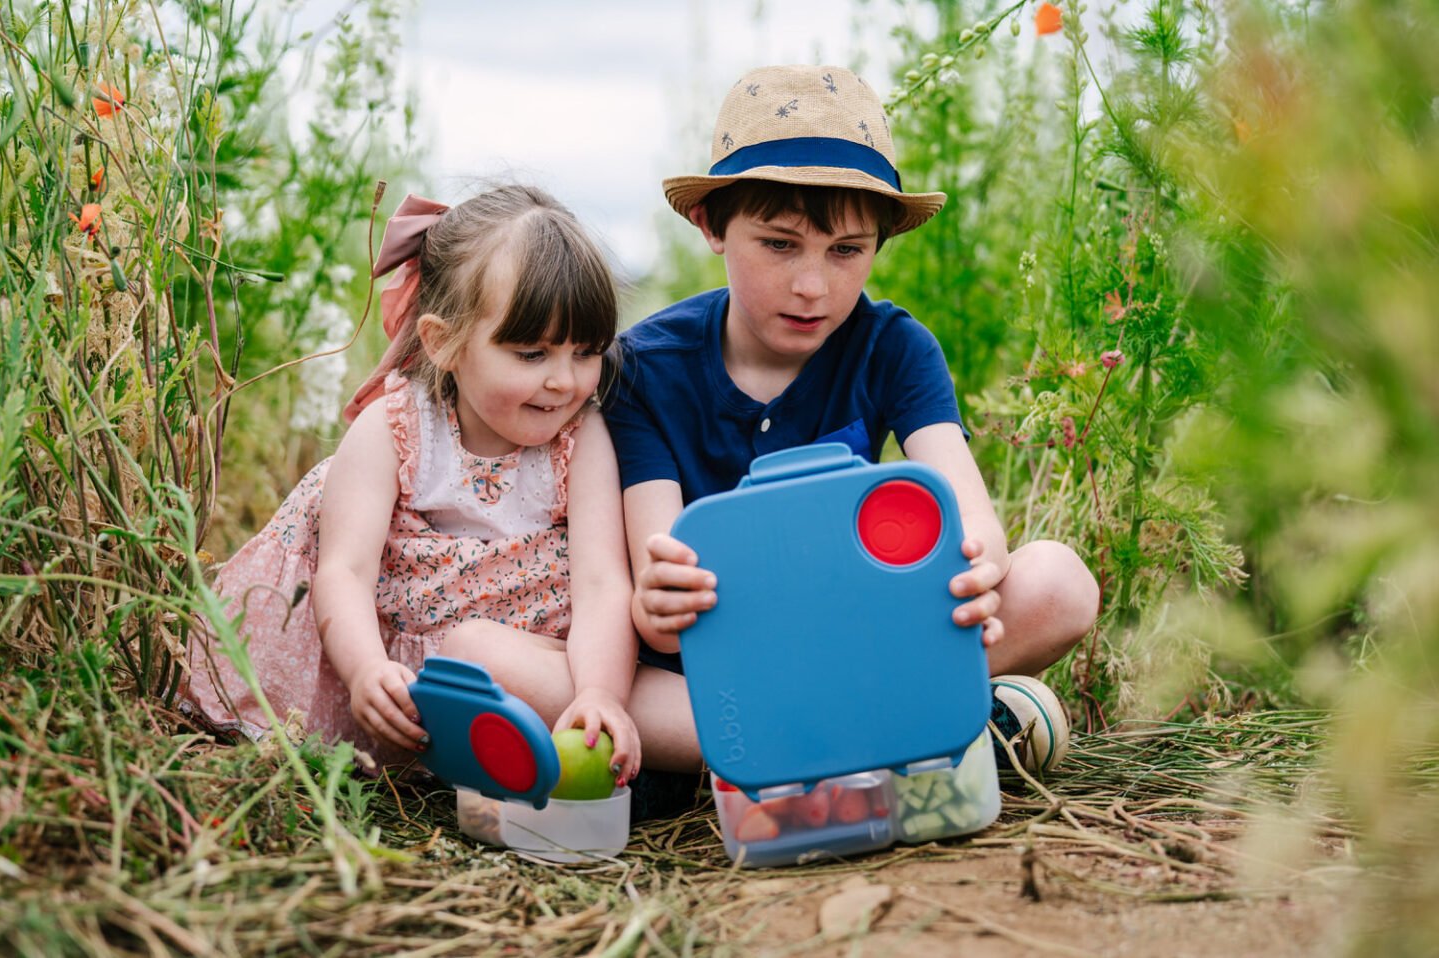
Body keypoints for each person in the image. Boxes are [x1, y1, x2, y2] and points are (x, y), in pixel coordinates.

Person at [604, 65, 1101, 779]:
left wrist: (977, 567)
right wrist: (659, 604)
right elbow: (661, 592)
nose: (813, 286)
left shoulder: (894, 347)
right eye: (778, 244)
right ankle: (908, 735)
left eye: (847, 251)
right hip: (718, 677)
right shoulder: (644, 368)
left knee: (1059, 583)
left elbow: (971, 516)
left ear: (879, 243)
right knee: (574, 683)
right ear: (711, 224)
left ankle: (812, 751)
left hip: (860, 641)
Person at [184, 185, 646, 798]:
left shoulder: (581, 439)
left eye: (585, 353)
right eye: (531, 353)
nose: (563, 381)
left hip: (521, 668)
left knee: (558, 701)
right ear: (442, 342)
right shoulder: (398, 429)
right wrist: (366, 669)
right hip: (404, 667)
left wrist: (598, 692)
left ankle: (599, 748)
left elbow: (600, 583)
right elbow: (345, 570)